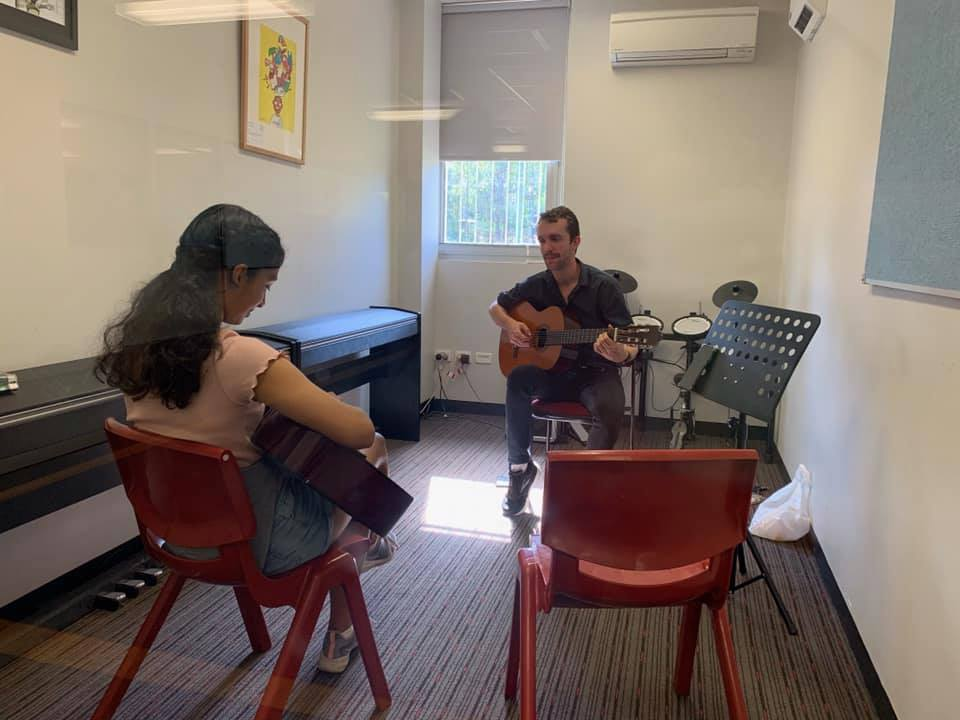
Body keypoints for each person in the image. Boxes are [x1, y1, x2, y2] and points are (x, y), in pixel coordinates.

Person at [96, 204, 394, 674]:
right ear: (237, 274)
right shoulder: (243, 357)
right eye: (265, 285)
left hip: (178, 538)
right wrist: (317, 402)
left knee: (295, 465)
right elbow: (355, 430)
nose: (262, 301)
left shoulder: (139, 351)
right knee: (371, 449)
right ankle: (354, 585)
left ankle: (362, 550)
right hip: (264, 546)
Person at [489, 206, 638, 516]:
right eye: (542, 240)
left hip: (596, 373)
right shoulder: (537, 284)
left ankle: (583, 485)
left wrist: (621, 353)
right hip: (554, 374)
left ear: (575, 242)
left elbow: (631, 340)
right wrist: (510, 325)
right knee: (518, 379)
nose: (547, 248)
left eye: (555, 239)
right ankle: (519, 470)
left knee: (611, 408)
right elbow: (495, 307)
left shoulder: (604, 287)